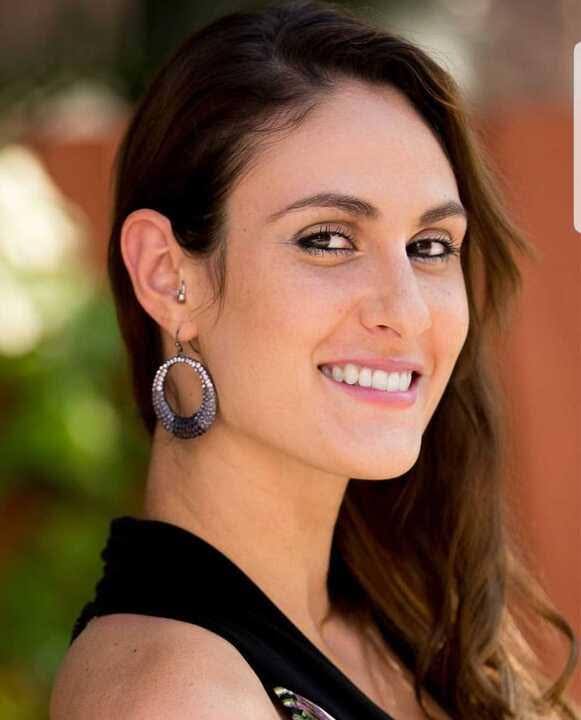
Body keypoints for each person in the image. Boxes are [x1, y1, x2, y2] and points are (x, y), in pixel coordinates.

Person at [49, 1, 579, 718]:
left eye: (429, 247)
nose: (406, 310)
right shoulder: (177, 695)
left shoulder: (389, 625)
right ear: (168, 274)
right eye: (327, 239)